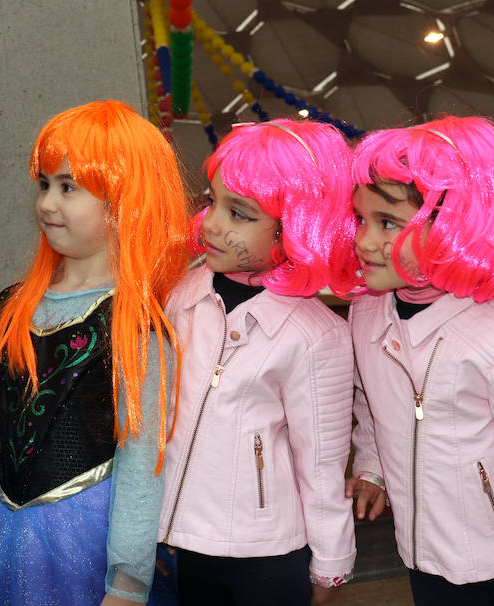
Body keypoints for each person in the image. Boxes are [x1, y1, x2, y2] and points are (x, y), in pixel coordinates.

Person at [0, 100, 189, 605]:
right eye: (44, 185)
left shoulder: (135, 321)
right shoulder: (12, 306)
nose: (47, 203)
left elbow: (143, 459)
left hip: (89, 543)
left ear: (123, 201)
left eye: (68, 187)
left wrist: (128, 579)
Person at [346, 116, 494, 606]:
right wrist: (371, 466)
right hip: (417, 552)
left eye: (389, 222)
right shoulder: (367, 313)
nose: (365, 241)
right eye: (361, 219)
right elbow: (372, 399)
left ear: (457, 225)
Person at [157, 119, 358, 606]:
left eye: (239, 213)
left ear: (295, 227)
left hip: (266, 555)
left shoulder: (315, 333)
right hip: (174, 540)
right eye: (212, 202)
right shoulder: (181, 295)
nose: (211, 224)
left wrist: (330, 565)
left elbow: (323, 462)